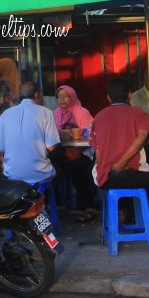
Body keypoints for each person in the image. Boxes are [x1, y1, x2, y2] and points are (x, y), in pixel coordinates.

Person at [90, 78, 149, 218]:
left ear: (108, 97)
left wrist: (108, 167)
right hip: (135, 175)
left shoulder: (98, 117)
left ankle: (120, 213)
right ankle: (145, 217)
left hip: (106, 178)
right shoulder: (140, 115)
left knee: (97, 173)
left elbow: (98, 152)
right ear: (130, 95)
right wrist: (121, 164)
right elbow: (142, 137)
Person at [0, 81, 60, 185]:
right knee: (62, 167)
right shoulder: (45, 112)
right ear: (37, 95)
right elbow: (52, 147)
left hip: (11, 174)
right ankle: (54, 200)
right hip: (40, 174)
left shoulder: (5, 114)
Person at [50, 84, 96, 219]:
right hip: (64, 151)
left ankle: (86, 205)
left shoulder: (83, 113)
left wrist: (77, 147)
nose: (62, 99)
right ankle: (58, 203)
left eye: (66, 96)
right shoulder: (54, 114)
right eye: (59, 96)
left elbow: (91, 135)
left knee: (76, 165)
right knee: (52, 163)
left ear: (73, 97)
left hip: (84, 150)